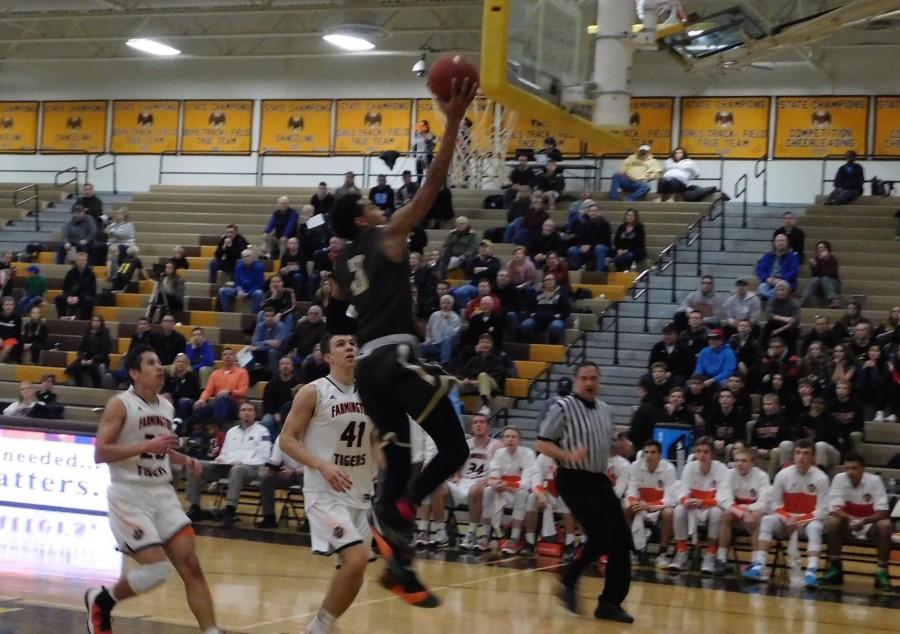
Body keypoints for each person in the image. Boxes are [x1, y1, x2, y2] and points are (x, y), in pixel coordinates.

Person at [328, 77, 477, 607]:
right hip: (393, 357)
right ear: (364, 217)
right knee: (454, 448)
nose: (377, 204)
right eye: (370, 202)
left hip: (370, 372)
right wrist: (453, 119)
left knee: (400, 462)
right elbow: (433, 185)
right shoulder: (387, 235)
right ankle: (402, 511)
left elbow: (341, 296)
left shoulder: (341, 261)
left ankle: (399, 566)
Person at [85, 345, 222, 634]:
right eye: (151, 363)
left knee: (192, 566)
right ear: (135, 373)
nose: (160, 367)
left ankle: (211, 631)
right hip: (129, 496)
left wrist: (182, 458)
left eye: (160, 362)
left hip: (162, 493)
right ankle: (103, 600)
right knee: (157, 570)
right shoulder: (120, 404)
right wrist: (147, 446)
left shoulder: (166, 405)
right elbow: (100, 452)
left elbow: (160, 449)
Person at [278, 333, 378, 634]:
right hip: (325, 493)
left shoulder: (370, 394)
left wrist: (387, 469)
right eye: (341, 345)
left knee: (353, 573)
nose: (349, 347)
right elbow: (286, 440)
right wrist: (321, 465)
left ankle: (323, 626)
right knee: (357, 559)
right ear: (327, 356)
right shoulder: (314, 392)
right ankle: (317, 628)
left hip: (360, 492)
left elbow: (372, 440)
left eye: (352, 343)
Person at [536, 362, 633, 624]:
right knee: (601, 533)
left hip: (599, 478)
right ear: (576, 380)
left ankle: (610, 603)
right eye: (584, 378)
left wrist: (619, 448)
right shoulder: (562, 407)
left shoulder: (606, 409)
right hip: (573, 478)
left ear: (599, 381)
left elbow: (606, 446)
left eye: (593, 378)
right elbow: (542, 443)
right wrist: (567, 455)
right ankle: (569, 579)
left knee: (622, 539)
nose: (589, 382)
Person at [743, 439, 829, 587]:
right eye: (798, 453)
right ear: (793, 455)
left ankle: (811, 572)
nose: (801, 457)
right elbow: (775, 504)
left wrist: (799, 520)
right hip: (786, 519)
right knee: (767, 521)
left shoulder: (821, 478)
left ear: (813, 457)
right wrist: (787, 517)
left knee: (815, 527)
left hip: (807, 521)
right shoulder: (783, 475)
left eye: (806, 453)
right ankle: (759, 565)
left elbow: (822, 510)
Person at [186, 401, 272, 529]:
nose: (246, 413)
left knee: (237, 470)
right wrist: (220, 458)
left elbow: (264, 457)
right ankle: (195, 507)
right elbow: (225, 452)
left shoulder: (263, 431)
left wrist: (243, 462)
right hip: (227, 466)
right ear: (239, 414)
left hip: (251, 469)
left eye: (250, 410)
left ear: (255, 414)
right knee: (195, 464)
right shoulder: (231, 431)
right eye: (243, 410)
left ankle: (230, 511)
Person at [822, 453, 893, 590]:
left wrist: (864, 520)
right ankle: (835, 568)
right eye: (847, 468)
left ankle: (882, 571)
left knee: (885, 525)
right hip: (848, 523)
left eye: (854, 468)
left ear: (863, 468)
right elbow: (834, 508)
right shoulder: (839, 479)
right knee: (832, 522)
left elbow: (883, 511)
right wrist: (851, 519)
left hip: (869, 524)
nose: (850, 472)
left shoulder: (874, 481)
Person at [666, 436, 733, 573]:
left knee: (717, 512)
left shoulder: (721, 469)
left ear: (712, 454)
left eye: (706, 452)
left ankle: (710, 554)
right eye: (699, 451)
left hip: (710, 507)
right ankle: (681, 552)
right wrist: (686, 500)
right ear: (695, 453)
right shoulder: (689, 467)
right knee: (679, 509)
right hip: (693, 507)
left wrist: (704, 502)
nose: (702, 455)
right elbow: (682, 490)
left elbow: (723, 497)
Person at [479, 426, 535, 555]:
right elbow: (493, 474)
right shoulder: (499, 453)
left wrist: (506, 484)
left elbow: (526, 483)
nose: (510, 439)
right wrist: (495, 483)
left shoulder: (528, 454)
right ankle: (485, 536)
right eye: (507, 437)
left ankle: (514, 538)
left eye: (513, 437)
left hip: (518, 490)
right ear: (503, 439)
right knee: (488, 491)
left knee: (522, 494)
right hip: (502, 489)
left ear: (519, 440)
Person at [451, 414, 502, 550]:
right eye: (475, 423)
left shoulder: (496, 445)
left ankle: (471, 532)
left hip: (484, 483)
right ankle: (437, 532)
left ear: (488, 426)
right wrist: (456, 475)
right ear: (472, 427)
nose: (478, 425)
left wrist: (489, 479)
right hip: (464, 480)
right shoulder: (466, 444)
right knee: (438, 488)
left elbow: (500, 468)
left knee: (476, 489)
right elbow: (454, 464)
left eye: (481, 422)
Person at [717, 447, 771, 575]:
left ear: (752, 462)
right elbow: (723, 499)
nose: (739, 464)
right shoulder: (729, 474)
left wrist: (749, 509)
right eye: (737, 461)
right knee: (726, 515)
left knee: (759, 517)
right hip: (738, 513)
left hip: (754, 513)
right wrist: (741, 512)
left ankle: (755, 562)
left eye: (744, 461)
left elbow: (764, 502)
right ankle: (721, 558)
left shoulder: (762, 476)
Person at [625, 439, 677, 566]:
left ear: (660, 455)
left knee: (669, 512)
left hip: (659, 507)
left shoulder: (669, 469)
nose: (648, 455)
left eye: (652, 452)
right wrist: (635, 504)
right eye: (646, 452)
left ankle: (662, 553)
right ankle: (631, 550)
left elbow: (670, 499)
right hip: (640, 505)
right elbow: (631, 492)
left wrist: (649, 505)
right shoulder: (635, 466)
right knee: (625, 508)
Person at [523, 452, 577, 559]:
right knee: (532, 498)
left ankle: (569, 544)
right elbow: (536, 478)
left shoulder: (570, 455)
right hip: (548, 495)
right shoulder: (543, 457)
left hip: (566, 493)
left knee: (568, 500)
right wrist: (540, 493)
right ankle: (529, 542)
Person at [254, 437, 303, 530]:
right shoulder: (281, 438)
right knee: (266, 480)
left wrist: (294, 471)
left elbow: (313, 466)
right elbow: (274, 461)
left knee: (307, 481)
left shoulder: (311, 438)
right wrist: (272, 470)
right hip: (289, 473)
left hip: (308, 473)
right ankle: (269, 517)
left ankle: (309, 521)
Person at [192, 348, 249, 426]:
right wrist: (202, 399)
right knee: (199, 408)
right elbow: (208, 390)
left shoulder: (242, 372)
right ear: (221, 358)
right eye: (225, 355)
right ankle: (198, 435)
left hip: (235, 405)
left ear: (235, 357)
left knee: (223, 399)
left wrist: (229, 391)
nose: (227, 356)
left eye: (230, 354)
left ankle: (219, 430)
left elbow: (243, 391)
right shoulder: (215, 373)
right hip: (218, 404)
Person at [66, 315, 111, 388]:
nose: (96, 322)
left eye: (98, 321)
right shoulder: (87, 332)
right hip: (87, 357)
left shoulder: (105, 333)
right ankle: (78, 386)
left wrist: (92, 360)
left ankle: (97, 387)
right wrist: (82, 358)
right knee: (77, 366)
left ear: (101, 322)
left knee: (92, 367)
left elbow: (105, 351)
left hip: (100, 358)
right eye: (94, 320)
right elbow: (81, 348)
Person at [218, 248, 265, 314]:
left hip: (253, 291)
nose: (246, 258)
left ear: (253, 257)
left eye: (248, 256)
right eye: (244, 257)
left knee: (259, 293)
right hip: (240, 290)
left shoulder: (259, 267)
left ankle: (254, 316)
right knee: (222, 291)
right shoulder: (238, 266)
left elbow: (260, 284)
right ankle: (227, 313)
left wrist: (248, 293)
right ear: (242, 258)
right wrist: (239, 290)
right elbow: (237, 282)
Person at [567, 202, 611, 271]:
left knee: (599, 248)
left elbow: (604, 240)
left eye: (595, 211)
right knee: (572, 250)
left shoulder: (605, 224)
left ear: (599, 212)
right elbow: (580, 238)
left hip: (602, 247)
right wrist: (581, 246)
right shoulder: (584, 224)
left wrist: (590, 246)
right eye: (591, 211)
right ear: (588, 213)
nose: (593, 213)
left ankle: (600, 273)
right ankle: (579, 269)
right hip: (588, 247)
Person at [55, 251, 97, 320]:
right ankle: (63, 318)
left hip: (84, 298)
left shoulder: (91, 274)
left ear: (86, 261)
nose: (81, 262)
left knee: (88, 301)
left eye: (83, 260)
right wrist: (68, 296)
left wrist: (78, 298)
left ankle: (83, 321)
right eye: (79, 260)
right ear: (76, 261)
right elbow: (65, 288)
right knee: (58, 299)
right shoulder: (70, 273)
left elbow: (91, 291)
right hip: (71, 297)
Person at [756, 234, 800, 300]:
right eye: (778, 240)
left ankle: (769, 302)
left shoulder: (792, 256)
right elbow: (760, 269)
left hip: (785, 282)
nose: (780, 242)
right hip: (769, 281)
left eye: (783, 240)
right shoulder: (768, 255)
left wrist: (781, 279)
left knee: (777, 292)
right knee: (762, 287)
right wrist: (767, 278)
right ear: (775, 243)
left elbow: (794, 271)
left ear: (787, 243)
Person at [421, 295, 460, 365]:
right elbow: (428, 329)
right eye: (443, 303)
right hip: (433, 343)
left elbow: (450, 335)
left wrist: (445, 320)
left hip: (447, 344)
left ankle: (445, 362)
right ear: (440, 304)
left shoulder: (455, 317)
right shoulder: (434, 315)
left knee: (447, 339)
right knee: (418, 347)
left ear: (452, 305)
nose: (445, 305)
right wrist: (428, 339)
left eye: (448, 303)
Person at [802, 240, 841, 308]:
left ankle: (833, 300)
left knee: (825, 278)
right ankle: (803, 299)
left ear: (827, 249)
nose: (820, 249)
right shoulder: (815, 260)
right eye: (818, 248)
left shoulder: (833, 259)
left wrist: (823, 261)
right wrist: (814, 266)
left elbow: (830, 273)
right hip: (819, 288)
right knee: (815, 279)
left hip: (833, 287)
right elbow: (815, 275)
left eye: (822, 247)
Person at [105, 208, 136, 273]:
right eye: (117, 213)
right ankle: (105, 269)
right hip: (115, 243)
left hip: (126, 244)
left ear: (125, 215)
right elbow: (106, 231)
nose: (117, 214)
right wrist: (110, 231)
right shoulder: (114, 224)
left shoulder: (129, 225)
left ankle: (114, 271)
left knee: (115, 249)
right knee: (99, 247)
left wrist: (112, 232)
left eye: (120, 213)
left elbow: (124, 235)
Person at [0, 296, 20, 364]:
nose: (9, 306)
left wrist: (3, 339)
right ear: (3, 306)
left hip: (11, 339)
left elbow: (15, 333)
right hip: (1, 338)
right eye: (7, 304)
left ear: (14, 306)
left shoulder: (17, 318)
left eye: (11, 304)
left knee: (8, 347)